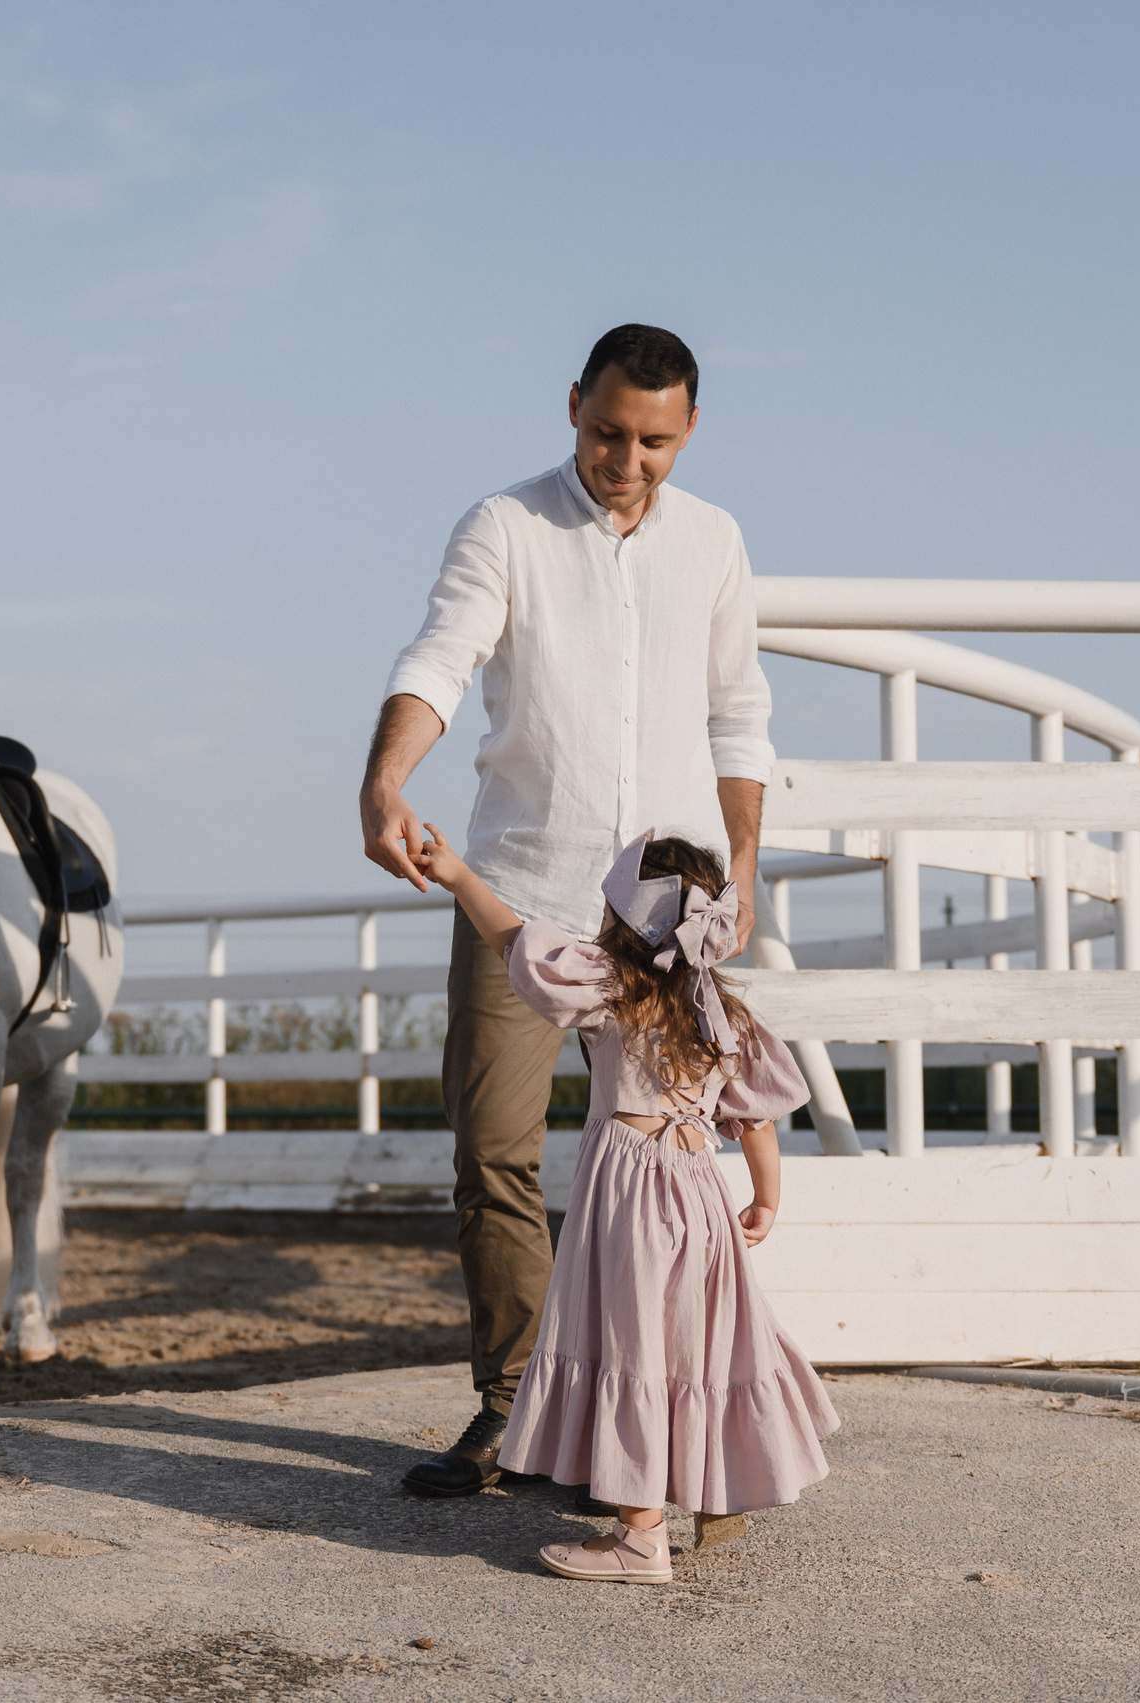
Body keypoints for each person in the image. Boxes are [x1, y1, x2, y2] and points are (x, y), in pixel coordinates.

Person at [361, 324, 776, 1499]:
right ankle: (512, 1409)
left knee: (666, 1170)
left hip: (666, 917)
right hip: (529, 889)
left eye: (654, 440)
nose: (627, 460)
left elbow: (738, 718)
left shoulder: (716, 543)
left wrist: (740, 867)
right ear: (572, 408)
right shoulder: (504, 524)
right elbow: (441, 657)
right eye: (606, 433)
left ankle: (657, 1440)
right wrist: (385, 776)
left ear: (688, 430)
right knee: (494, 1147)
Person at [411, 825, 838, 1582]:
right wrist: (766, 1199)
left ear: (621, 922)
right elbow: (757, 1121)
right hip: (702, 1194)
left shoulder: (613, 989)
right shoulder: (724, 1015)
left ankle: (640, 1537)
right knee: (694, 1346)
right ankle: (709, 1489)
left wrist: (456, 874)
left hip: (633, 1200)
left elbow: (514, 938)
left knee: (634, 1347)